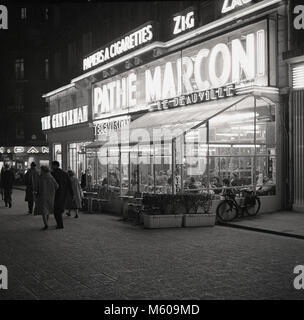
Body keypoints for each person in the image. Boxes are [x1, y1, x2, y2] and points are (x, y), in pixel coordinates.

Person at [34, 166, 59, 230]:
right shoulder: (51, 177)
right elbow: (57, 186)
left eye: (41, 170)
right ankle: (46, 223)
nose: (40, 171)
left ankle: (46, 224)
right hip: (51, 196)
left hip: (42, 196)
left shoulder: (41, 178)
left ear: (43, 170)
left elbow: (36, 187)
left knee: (43, 211)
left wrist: (35, 193)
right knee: (47, 210)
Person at [51, 161, 73, 229]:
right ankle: (59, 223)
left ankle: (60, 224)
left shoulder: (53, 173)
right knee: (59, 209)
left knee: (56, 210)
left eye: (52, 165)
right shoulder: (65, 173)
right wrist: (72, 194)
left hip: (56, 194)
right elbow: (69, 184)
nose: (51, 166)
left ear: (55, 166)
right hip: (64, 194)